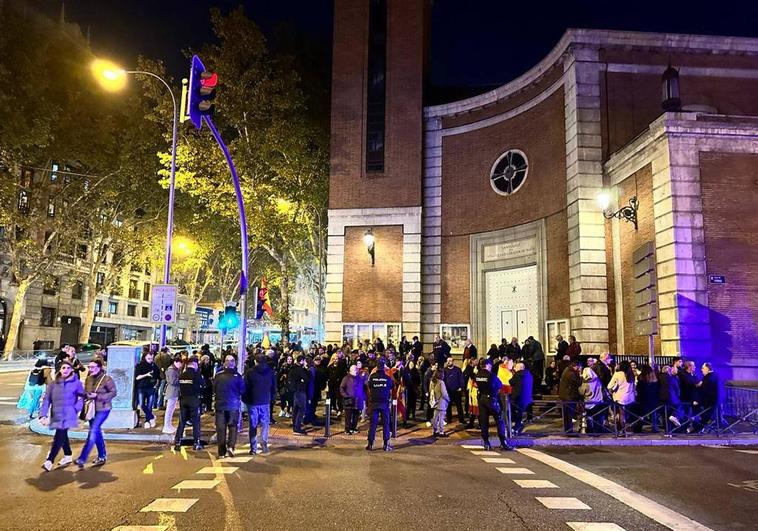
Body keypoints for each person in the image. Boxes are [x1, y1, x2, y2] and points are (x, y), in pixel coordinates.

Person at [38, 361, 84, 471]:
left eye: (68, 368)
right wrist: (42, 415)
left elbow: (82, 398)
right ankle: (68, 454)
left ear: (72, 370)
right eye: (64, 368)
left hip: (69, 414)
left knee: (59, 436)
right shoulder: (53, 384)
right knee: (63, 435)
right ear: (60, 369)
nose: (66, 370)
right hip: (56, 414)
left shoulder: (76, 383)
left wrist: (75, 409)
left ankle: (50, 460)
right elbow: (47, 400)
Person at [74, 358, 117, 468]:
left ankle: (82, 458)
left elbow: (113, 393)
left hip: (103, 409)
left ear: (100, 367)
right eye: (89, 367)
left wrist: (98, 396)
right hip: (91, 410)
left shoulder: (107, 379)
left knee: (93, 431)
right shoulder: (88, 379)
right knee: (96, 432)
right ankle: (102, 456)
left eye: (93, 367)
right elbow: (86, 393)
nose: (90, 369)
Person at [474, 358, 512, 451]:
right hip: (492, 399)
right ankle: (503, 442)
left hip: (481, 399)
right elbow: (499, 385)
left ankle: (486, 443)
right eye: (490, 366)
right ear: (487, 365)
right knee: (500, 420)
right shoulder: (491, 375)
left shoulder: (477, 375)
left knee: (484, 422)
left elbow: (476, 385)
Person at [243, 353, 277, 455]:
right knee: (265, 423)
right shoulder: (270, 372)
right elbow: (273, 387)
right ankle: (264, 442)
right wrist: (272, 398)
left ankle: (253, 447)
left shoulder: (250, 373)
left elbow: (245, 388)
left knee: (253, 424)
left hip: (253, 401)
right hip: (265, 400)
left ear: (255, 361)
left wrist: (245, 399)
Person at [213, 355, 245, 458]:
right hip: (233, 405)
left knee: (221, 429)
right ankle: (231, 446)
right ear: (234, 363)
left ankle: (221, 452)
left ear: (224, 363)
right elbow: (242, 390)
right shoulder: (238, 376)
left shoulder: (218, 376)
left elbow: (214, 389)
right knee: (233, 426)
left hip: (220, 405)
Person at [174, 357, 204, 451]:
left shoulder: (182, 375)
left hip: (183, 400)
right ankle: (196, 442)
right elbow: (203, 385)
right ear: (194, 364)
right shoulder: (196, 375)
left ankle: (178, 441)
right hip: (193, 400)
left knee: (182, 421)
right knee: (196, 421)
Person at [366, 358, 393, 451]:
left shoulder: (372, 377)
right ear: (384, 368)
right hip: (384, 403)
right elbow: (391, 387)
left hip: (374, 403)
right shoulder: (387, 378)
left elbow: (369, 386)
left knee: (373, 424)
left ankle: (370, 444)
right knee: (386, 424)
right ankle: (386, 444)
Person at [135, 350, 160, 428]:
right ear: (144, 357)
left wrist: (156, 385)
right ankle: (151, 417)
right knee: (142, 404)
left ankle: (147, 421)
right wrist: (146, 375)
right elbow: (137, 377)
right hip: (141, 387)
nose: (150, 360)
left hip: (151, 388)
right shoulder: (140, 366)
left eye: (152, 358)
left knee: (150, 405)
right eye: (149, 358)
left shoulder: (154, 366)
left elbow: (158, 377)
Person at [608, 361, 636, 429]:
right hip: (630, 398)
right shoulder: (631, 374)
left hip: (620, 398)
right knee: (626, 414)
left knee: (621, 414)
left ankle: (622, 430)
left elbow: (609, 386)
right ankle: (626, 427)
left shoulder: (617, 374)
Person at [633, 364, 660, 433]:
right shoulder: (654, 378)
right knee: (653, 413)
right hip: (653, 398)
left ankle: (639, 427)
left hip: (643, 398)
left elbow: (638, 389)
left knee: (642, 414)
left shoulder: (641, 378)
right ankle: (654, 428)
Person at [579, 367, 605, 433]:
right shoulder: (597, 380)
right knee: (597, 417)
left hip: (589, 403)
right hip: (598, 401)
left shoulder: (585, 383)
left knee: (589, 417)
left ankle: (590, 431)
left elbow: (581, 392)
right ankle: (597, 430)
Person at [697, 362, 723, 429]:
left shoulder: (708, 378)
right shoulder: (714, 375)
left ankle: (698, 429)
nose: (701, 370)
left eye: (703, 368)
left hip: (710, 402)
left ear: (707, 368)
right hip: (717, 401)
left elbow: (705, 391)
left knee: (707, 417)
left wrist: (699, 401)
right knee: (717, 417)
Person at [509, 362, 533, 435]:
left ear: (519, 368)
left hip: (517, 397)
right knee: (520, 413)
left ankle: (516, 427)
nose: (514, 369)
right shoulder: (529, 375)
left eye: (515, 367)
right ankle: (518, 426)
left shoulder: (516, 375)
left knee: (515, 412)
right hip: (526, 397)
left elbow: (511, 382)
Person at [162, 355, 183, 434]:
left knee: (171, 409)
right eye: (179, 363)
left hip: (174, 391)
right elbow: (173, 381)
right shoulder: (171, 370)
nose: (180, 365)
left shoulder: (174, 369)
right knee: (169, 409)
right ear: (175, 362)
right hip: (172, 391)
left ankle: (168, 425)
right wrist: (181, 379)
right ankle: (166, 426)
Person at [290, 355, 311, 435]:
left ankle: (294, 424)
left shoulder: (293, 368)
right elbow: (307, 378)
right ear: (301, 361)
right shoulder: (300, 369)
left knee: (295, 408)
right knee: (301, 409)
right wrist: (306, 370)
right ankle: (297, 427)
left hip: (295, 391)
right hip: (300, 391)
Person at [558, 361, 581, 434]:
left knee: (567, 414)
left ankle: (568, 430)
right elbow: (576, 383)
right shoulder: (571, 373)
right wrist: (580, 376)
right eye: (578, 367)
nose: (578, 369)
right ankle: (569, 431)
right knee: (569, 414)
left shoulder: (567, 370)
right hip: (569, 396)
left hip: (565, 395)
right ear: (575, 366)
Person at [659, 365, 683, 430]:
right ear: (669, 371)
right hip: (671, 398)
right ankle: (675, 416)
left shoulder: (658, 378)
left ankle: (667, 431)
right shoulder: (671, 378)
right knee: (679, 407)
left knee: (665, 415)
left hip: (661, 399)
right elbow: (677, 389)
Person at [340, 365, 361, 434]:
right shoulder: (346, 378)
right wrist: (346, 395)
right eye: (355, 370)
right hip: (348, 399)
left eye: (357, 370)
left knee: (356, 415)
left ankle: (353, 427)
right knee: (348, 415)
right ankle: (347, 429)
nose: (356, 371)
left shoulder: (359, 378)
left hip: (357, 399)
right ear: (350, 371)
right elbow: (341, 388)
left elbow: (361, 387)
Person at [443, 357, 465, 424]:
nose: (449, 362)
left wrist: (461, 387)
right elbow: (443, 379)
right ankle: (449, 419)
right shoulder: (445, 370)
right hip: (448, 391)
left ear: (453, 361)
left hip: (456, 390)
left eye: (450, 361)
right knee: (448, 406)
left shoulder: (457, 370)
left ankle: (461, 419)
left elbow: (461, 379)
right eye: (448, 361)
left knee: (459, 406)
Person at [429, 369, 450, 437]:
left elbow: (430, 391)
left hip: (434, 401)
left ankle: (435, 431)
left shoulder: (432, 382)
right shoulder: (441, 382)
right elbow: (444, 393)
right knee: (441, 418)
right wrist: (448, 399)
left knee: (435, 417)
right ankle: (441, 431)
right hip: (441, 402)